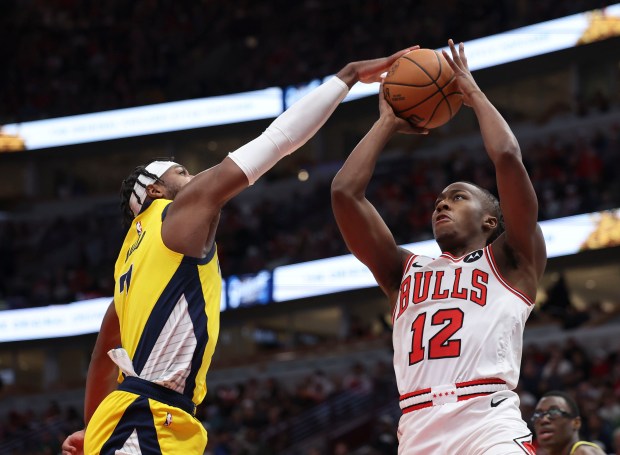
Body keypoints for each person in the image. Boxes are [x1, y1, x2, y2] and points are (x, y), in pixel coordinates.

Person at [60, 46, 415, 455]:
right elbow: (277, 140)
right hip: (147, 417)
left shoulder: (129, 262)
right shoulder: (178, 215)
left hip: (136, 418)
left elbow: (103, 356)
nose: (193, 177)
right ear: (156, 190)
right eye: (182, 173)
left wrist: (94, 430)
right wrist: (348, 76)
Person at [330, 39, 547, 454]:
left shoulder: (513, 258)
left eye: (458, 196)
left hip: (487, 422)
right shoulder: (403, 271)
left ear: (491, 221)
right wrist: (386, 123)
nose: (442, 202)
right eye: (438, 201)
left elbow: (506, 155)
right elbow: (344, 193)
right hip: (417, 428)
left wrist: (474, 93)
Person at [532, 390, 606, 455]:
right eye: (538, 414)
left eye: (554, 412)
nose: (543, 420)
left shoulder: (584, 452)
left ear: (576, 423)